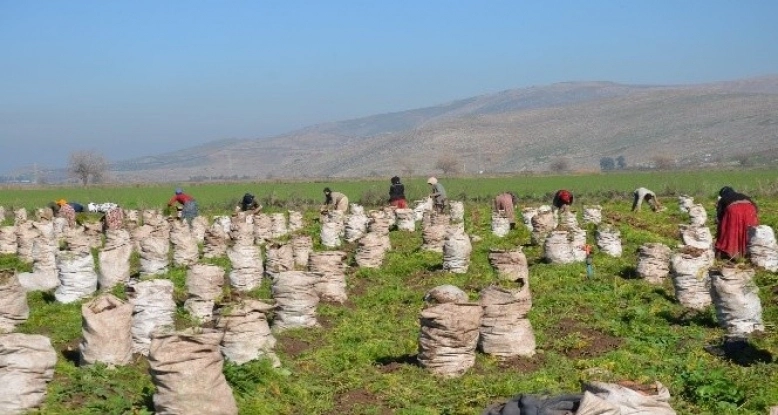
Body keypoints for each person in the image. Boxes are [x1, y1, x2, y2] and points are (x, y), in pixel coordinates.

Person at [715, 186, 759, 259]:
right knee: (749, 231)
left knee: (730, 229)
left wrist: (720, 225)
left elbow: (720, 216)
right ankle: (749, 251)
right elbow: (755, 208)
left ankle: (730, 252)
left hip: (734, 210)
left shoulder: (723, 199)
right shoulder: (743, 195)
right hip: (750, 209)